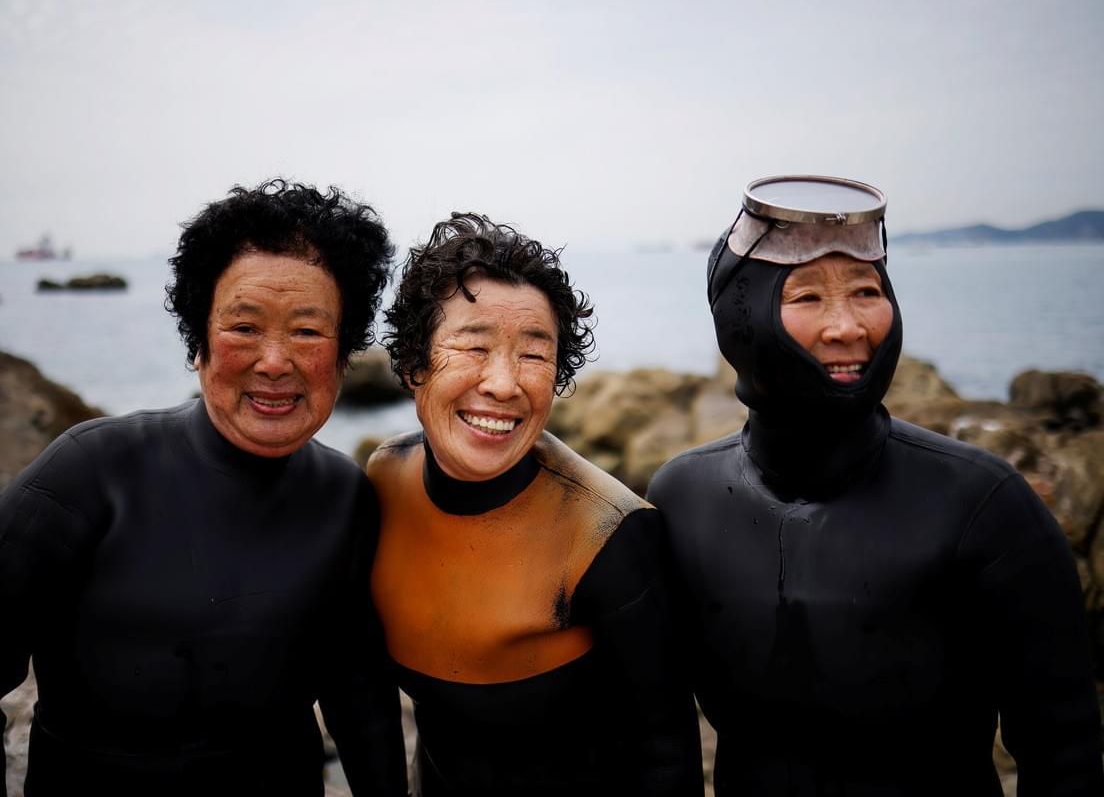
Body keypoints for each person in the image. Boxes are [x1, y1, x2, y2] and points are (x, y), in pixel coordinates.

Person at [0, 179, 408, 796]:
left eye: (308, 333)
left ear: (343, 354)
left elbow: (360, 697)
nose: (273, 360)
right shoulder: (81, 477)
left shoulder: (347, 499)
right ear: (197, 342)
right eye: (243, 326)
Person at [647, 175, 1104, 795]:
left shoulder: (983, 505)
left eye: (867, 290)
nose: (848, 326)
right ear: (740, 315)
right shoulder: (682, 497)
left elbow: (1065, 754)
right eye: (807, 297)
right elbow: (657, 730)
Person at [367, 213, 703, 796]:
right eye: (473, 346)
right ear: (413, 363)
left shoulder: (607, 532)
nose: (503, 383)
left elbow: (667, 751)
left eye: (532, 355)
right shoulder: (384, 481)